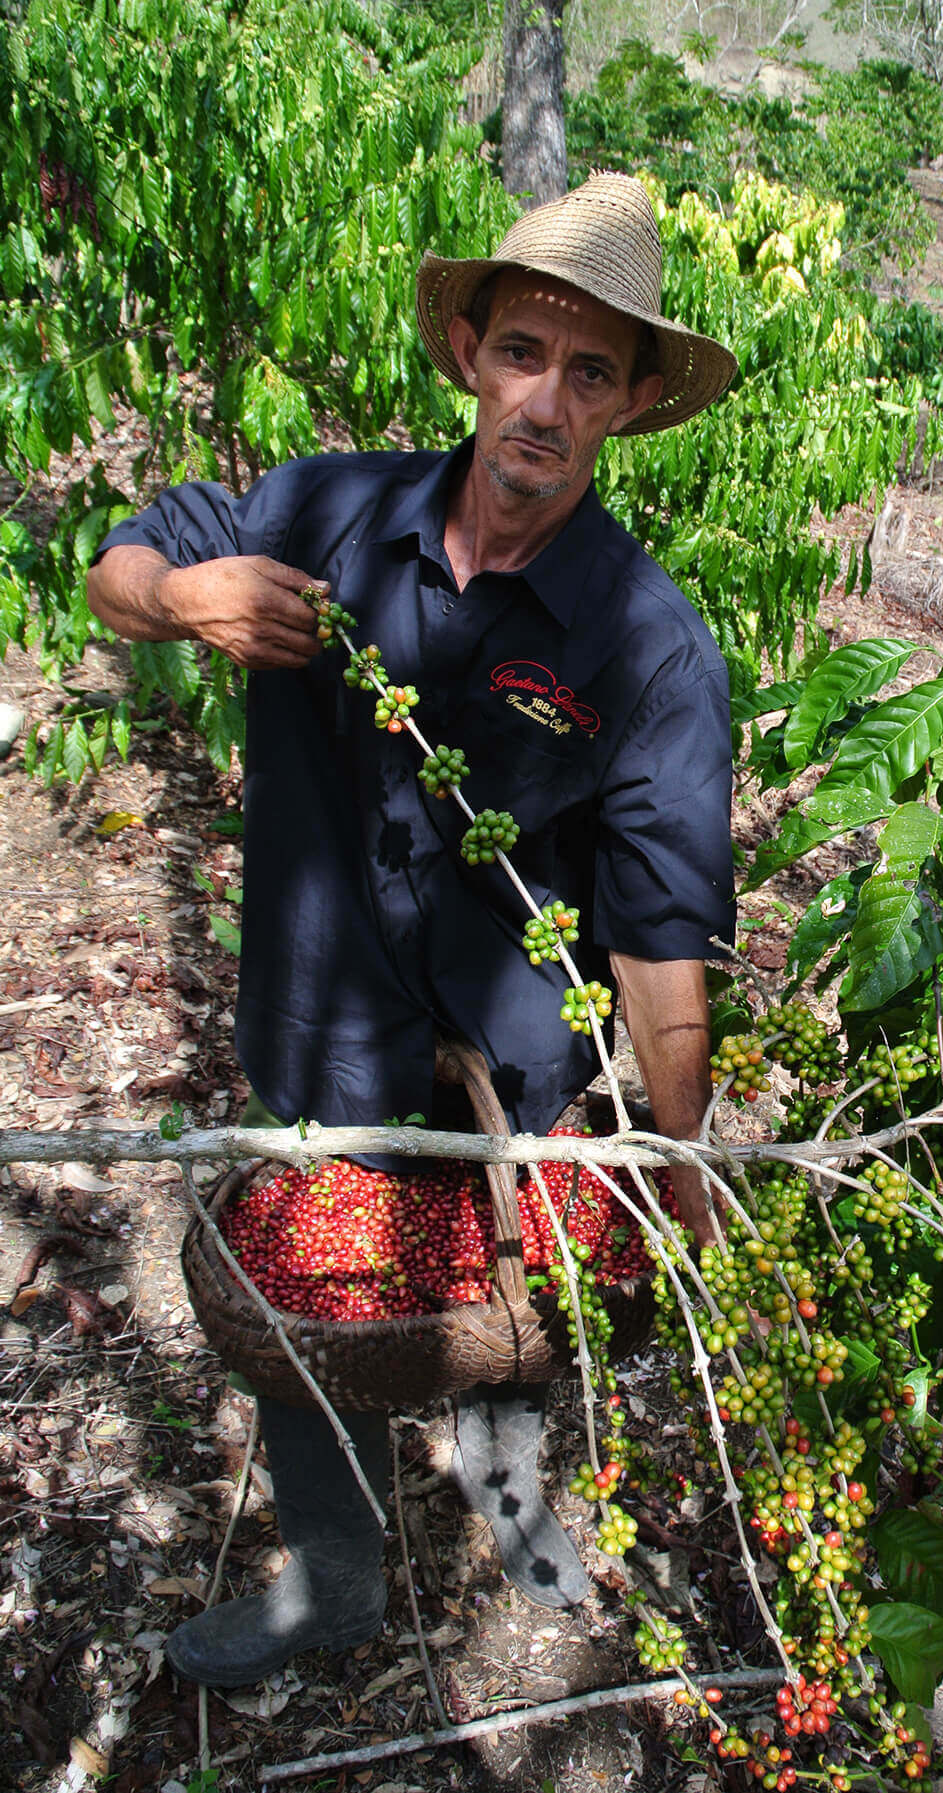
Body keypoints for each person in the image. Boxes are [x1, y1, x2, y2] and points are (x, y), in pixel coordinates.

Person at [87, 171, 739, 1685]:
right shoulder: (322, 512)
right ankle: (336, 1572)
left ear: (634, 405)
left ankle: (516, 1513)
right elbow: (121, 557)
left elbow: (656, 934)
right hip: (315, 1033)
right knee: (313, 1311)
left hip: (508, 1082)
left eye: (591, 373)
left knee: (499, 1303)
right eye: (524, 350)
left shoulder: (648, 645)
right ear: (467, 350)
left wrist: (686, 1151)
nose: (545, 402)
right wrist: (186, 599)